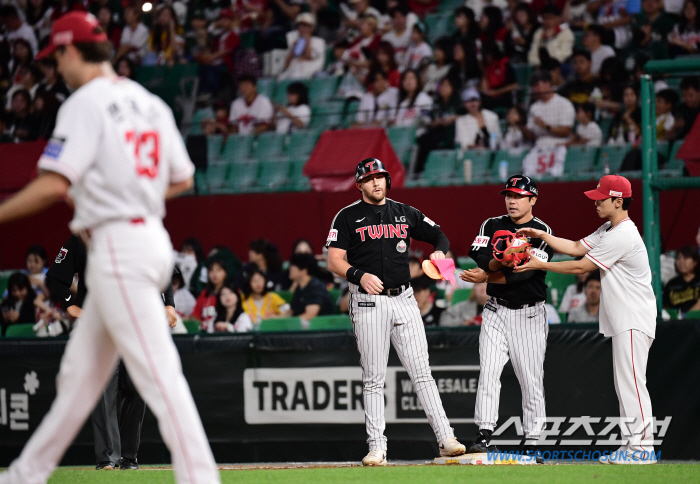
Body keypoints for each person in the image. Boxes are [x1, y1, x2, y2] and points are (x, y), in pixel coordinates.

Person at [0, 11, 221, 483]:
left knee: (161, 376)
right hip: (145, 240)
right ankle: (24, 474)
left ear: (70, 50)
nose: (55, 68)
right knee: (78, 378)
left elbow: (53, 184)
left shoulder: (85, 103)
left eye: (56, 56)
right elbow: (183, 179)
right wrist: (129, 196)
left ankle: (202, 478)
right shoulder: (150, 102)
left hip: (120, 248)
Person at [326, 158, 466, 466]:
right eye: (370, 178)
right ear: (359, 184)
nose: (377, 182)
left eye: (381, 177)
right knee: (374, 377)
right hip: (367, 301)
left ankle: (446, 438)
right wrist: (357, 275)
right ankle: (377, 446)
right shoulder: (347, 216)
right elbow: (334, 260)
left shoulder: (404, 212)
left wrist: (441, 252)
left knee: (422, 372)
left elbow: (439, 235)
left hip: (404, 298)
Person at [514, 174, 657, 464]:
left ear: (618, 201)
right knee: (625, 384)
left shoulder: (623, 234)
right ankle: (632, 446)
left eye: (601, 199)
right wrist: (542, 236)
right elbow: (577, 247)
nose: (596, 202)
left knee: (632, 383)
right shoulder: (609, 227)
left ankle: (642, 448)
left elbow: (581, 265)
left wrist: (542, 264)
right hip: (626, 318)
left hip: (633, 317)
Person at [460, 175, 554, 464]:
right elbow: (476, 252)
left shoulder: (541, 231)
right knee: (488, 372)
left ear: (533, 200)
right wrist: (496, 262)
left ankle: (533, 441)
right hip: (495, 309)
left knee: (530, 380)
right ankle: (484, 435)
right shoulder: (492, 224)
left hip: (528, 313)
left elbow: (525, 271)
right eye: (508, 195)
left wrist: (488, 273)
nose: (512, 200)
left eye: (518, 195)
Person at [522, 70, 575, 148]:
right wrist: (520, 126)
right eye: (533, 87)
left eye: (537, 86)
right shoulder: (534, 107)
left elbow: (566, 132)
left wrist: (546, 126)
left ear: (547, 84)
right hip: (538, 146)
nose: (535, 90)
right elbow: (531, 136)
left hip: (560, 145)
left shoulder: (564, 103)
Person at [284, 253, 334, 325]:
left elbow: (309, 316)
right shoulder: (300, 288)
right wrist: (273, 319)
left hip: (320, 329)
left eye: (292, 266)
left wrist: (287, 323)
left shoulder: (316, 288)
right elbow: (291, 312)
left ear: (303, 270)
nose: (290, 269)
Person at [279, 13, 326, 80]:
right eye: (299, 25)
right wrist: (293, 49)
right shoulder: (295, 41)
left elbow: (308, 56)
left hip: (310, 75)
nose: (301, 28)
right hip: (292, 74)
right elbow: (286, 65)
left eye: (305, 25)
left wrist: (308, 41)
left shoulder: (319, 42)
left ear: (311, 27)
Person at [192, 256, 229, 332]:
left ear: (225, 273)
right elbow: (195, 316)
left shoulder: (232, 293)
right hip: (204, 333)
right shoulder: (204, 293)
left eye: (218, 270)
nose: (214, 274)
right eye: (211, 270)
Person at [478, 40, 517, 111]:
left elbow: (514, 85)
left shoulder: (505, 64)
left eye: (488, 54)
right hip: (491, 97)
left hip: (505, 96)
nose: (486, 57)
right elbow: (485, 90)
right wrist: (484, 71)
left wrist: (496, 92)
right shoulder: (487, 67)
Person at [663, 246, 700, 316]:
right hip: (676, 323)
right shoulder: (671, 284)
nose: (681, 262)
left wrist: (686, 316)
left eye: (686, 258)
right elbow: (666, 309)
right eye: (679, 258)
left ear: (695, 262)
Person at [394, 69, 432, 134]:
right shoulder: (403, 103)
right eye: (405, 78)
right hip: (402, 137)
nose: (408, 81)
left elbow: (425, 120)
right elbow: (398, 124)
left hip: (419, 136)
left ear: (417, 81)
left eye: (411, 78)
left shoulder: (424, 98)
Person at [670, 76, 700, 140]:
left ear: (698, 93)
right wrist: (675, 127)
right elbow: (669, 137)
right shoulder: (678, 110)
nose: (687, 99)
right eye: (684, 95)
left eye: (690, 95)